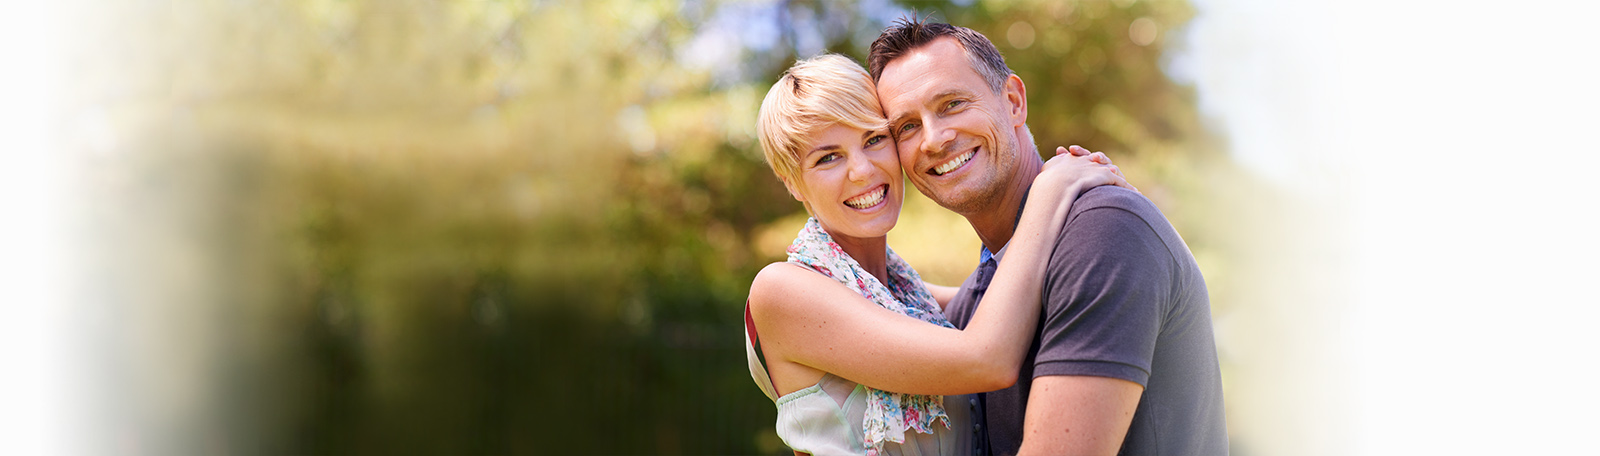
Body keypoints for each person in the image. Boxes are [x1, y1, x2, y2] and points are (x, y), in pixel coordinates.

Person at [866, 19, 1228, 455]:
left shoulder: (1104, 229)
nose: (934, 139)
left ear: (1014, 102)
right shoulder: (977, 305)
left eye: (952, 104)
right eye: (906, 127)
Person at [745, 54, 1132, 455]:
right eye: (828, 157)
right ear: (792, 182)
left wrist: (1098, 213)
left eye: (874, 139)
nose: (862, 170)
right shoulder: (783, 290)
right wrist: (1050, 191)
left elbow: (1007, 288)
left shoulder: (905, 295)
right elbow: (987, 359)